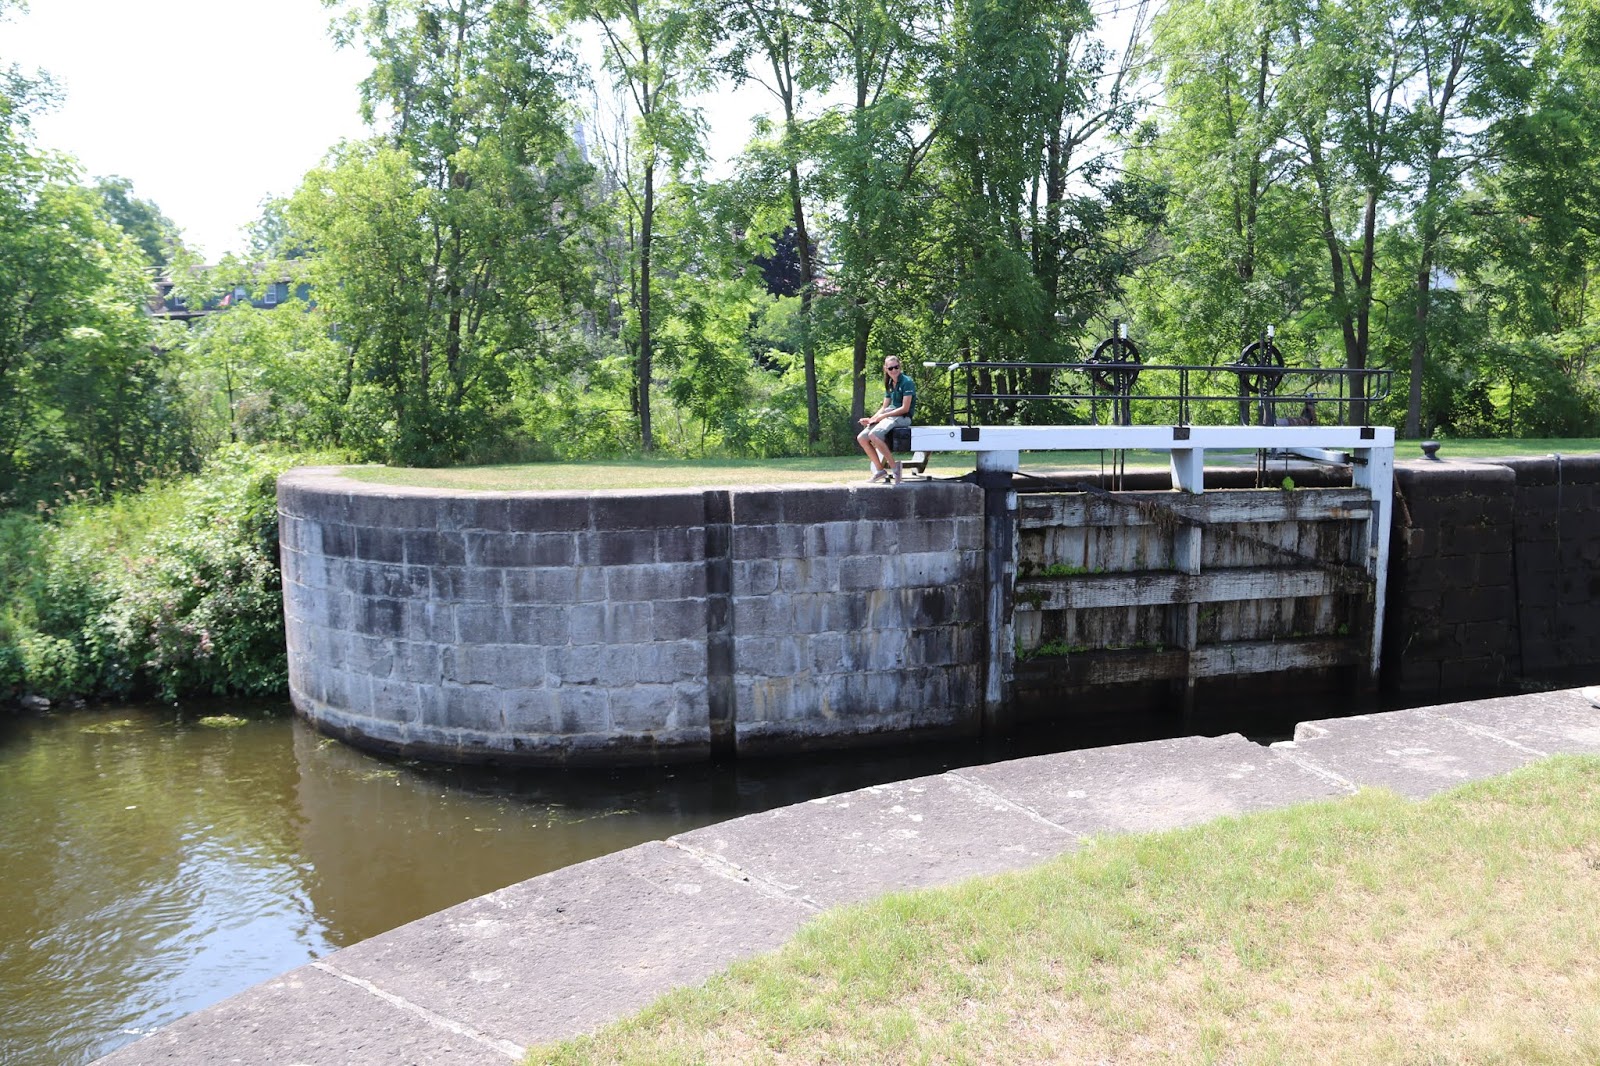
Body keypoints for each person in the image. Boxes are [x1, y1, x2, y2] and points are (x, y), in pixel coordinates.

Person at [857, 356, 916, 485]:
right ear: (885, 369)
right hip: (889, 416)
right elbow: (884, 407)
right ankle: (880, 470)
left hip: (903, 417)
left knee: (874, 435)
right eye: (890, 368)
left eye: (896, 367)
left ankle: (895, 468)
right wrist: (872, 419)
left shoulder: (907, 382)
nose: (894, 370)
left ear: (900, 367)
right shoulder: (889, 383)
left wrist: (882, 417)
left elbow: (905, 408)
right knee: (862, 438)